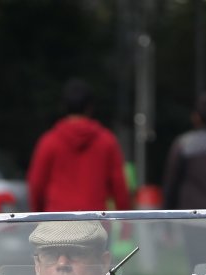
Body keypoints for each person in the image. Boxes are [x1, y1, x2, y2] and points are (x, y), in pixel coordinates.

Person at [27, 79, 132, 213]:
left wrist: (38, 214)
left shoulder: (49, 141)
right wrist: (125, 221)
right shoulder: (107, 141)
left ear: (64, 106)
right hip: (95, 220)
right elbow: (119, 186)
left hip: (57, 219)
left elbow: (36, 184)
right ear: (90, 107)